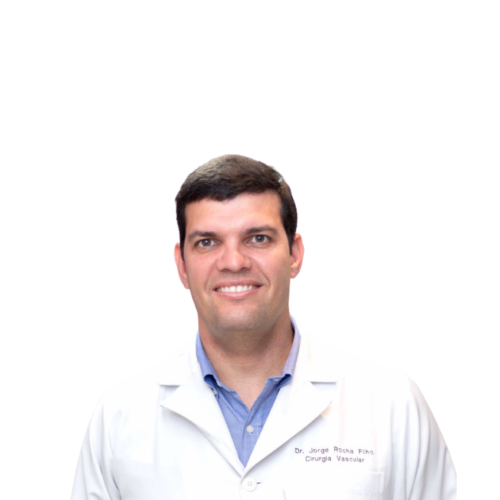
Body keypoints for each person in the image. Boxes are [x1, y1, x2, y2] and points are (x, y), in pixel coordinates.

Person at [71, 154, 456, 499]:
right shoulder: (119, 418)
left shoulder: (392, 406)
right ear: (182, 266)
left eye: (257, 238)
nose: (233, 261)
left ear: (294, 254)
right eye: (207, 242)